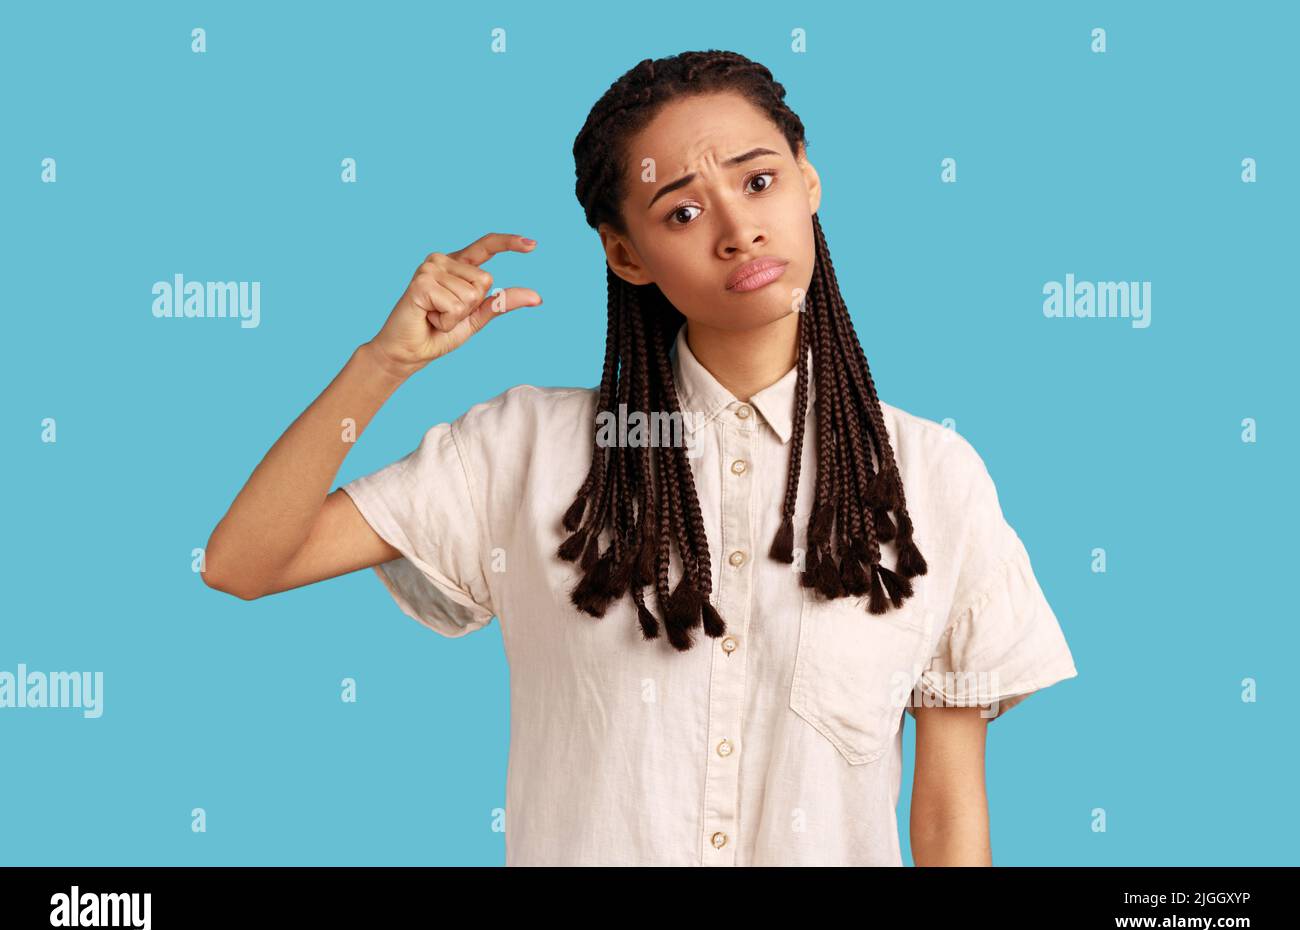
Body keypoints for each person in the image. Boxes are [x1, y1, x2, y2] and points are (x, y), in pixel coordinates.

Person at [202, 50, 1078, 866]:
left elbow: (948, 805)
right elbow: (244, 563)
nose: (737, 231)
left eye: (760, 181)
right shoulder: (522, 449)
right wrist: (382, 363)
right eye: (684, 211)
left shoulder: (934, 477)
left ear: (809, 181)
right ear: (625, 253)